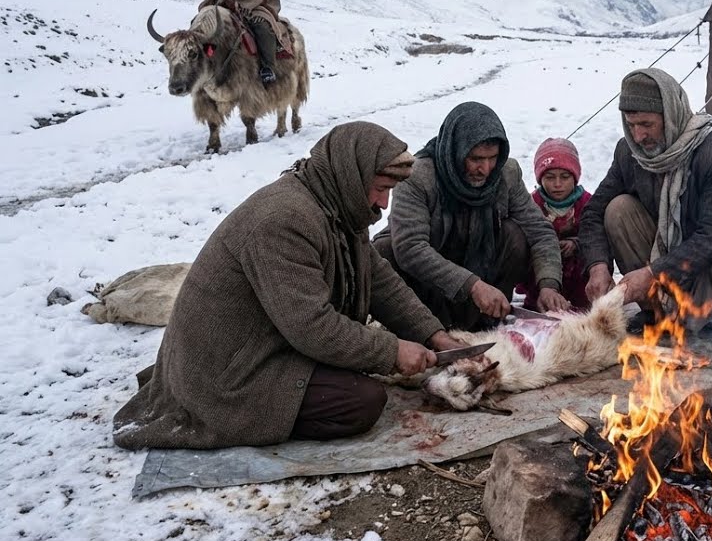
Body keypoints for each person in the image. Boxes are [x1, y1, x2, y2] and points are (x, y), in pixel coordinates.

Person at [112, 122, 471, 450]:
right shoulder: (284, 221)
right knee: (360, 401)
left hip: (271, 343)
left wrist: (433, 335)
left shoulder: (340, 204)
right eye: (380, 189)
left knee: (353, 370)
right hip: (226, 371)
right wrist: (391, 352)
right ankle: (245, 413)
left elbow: (378, 280)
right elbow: (311, 326)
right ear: (352, 175)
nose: (383, 203)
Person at [579, 68, 712, 348]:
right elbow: (594, 211)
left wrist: (652, 274)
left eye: (646, 124)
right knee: (618, 210)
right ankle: (659, 313)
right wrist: (598, 267)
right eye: (631, 125)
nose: (638, 136)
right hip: (671, 264)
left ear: (670, 115)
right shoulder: (629, 153)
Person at [373, 102, 569, 331]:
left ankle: (486, 320)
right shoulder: (418, 177)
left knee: (515, 235)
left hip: (483, 273)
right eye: (476, 159)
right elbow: (410, 247)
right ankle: (418, 327)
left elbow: (539, 230)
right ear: (456, 151)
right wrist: (472, 286)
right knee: (385, 250)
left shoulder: (506, 173)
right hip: (427, 282)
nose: (485, 169)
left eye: (492, 158)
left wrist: (548, 284)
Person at [514, 137, 593, 310]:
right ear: (540, 178)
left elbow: (594, 234)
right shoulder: (531, 203)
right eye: (550, 177)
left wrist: (575, 243)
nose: (557, 184)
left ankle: (582, 304)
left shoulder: (587, 202)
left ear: (575, 177)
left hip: (577, 272)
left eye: (565, 177)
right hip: (541, 269)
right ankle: (537, 302)